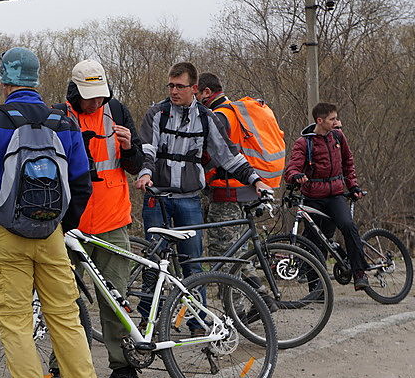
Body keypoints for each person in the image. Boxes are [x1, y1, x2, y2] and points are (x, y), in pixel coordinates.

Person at [0, 47, 100, 378]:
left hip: (3, 236)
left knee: (16, 326)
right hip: (51, 236)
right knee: (67, 321)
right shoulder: (63, 121)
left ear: (5, 80)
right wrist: (61, 225)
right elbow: (82, 182)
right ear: (37, 79)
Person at [135, 63, 270, 332]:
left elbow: (228, 156)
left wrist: (255, 180)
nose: (173, 91)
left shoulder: (208, 118)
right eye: (170, 86)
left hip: (189, 199)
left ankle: (197, 320)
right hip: (157, 197)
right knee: (152, 263)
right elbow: (146, 149)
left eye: (179, 86)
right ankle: (146, 320)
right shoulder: (157, 114)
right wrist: (146, 173)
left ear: (194, 89)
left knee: (193, 265)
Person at [56, 59, 145, 378]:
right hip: (70, 225)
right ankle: (60, 367)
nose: (97, 102)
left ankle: (123, 369)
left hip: (112, 222)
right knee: (65, 302)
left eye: (101, 96)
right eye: (90, 96)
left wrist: (128, 147)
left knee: (115, 299)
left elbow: (137, 165)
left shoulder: (117, 111)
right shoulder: (58, 116)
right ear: (75, 91)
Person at [196, 72, 278, 309]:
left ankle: (237, 313)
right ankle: (262, 298)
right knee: (239, 253)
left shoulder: (218, 117)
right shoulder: (237, 112)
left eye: (197, 93)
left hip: (227, 193)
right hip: (248, 190)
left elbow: (213, 157)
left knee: (223, 256)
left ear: (207, 93)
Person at [284, 102, 369, 290]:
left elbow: (348, 162)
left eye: (335, 118)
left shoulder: (338, 137)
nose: (336, 122)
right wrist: (295, 176)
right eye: (332, 119)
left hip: (336, 195)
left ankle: (359, 273)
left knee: (348, 226)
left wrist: (353, 185)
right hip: (313, 197)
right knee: (315, 241)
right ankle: (316, 288)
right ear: (319, 120)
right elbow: (292, 167)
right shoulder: (304, 142)